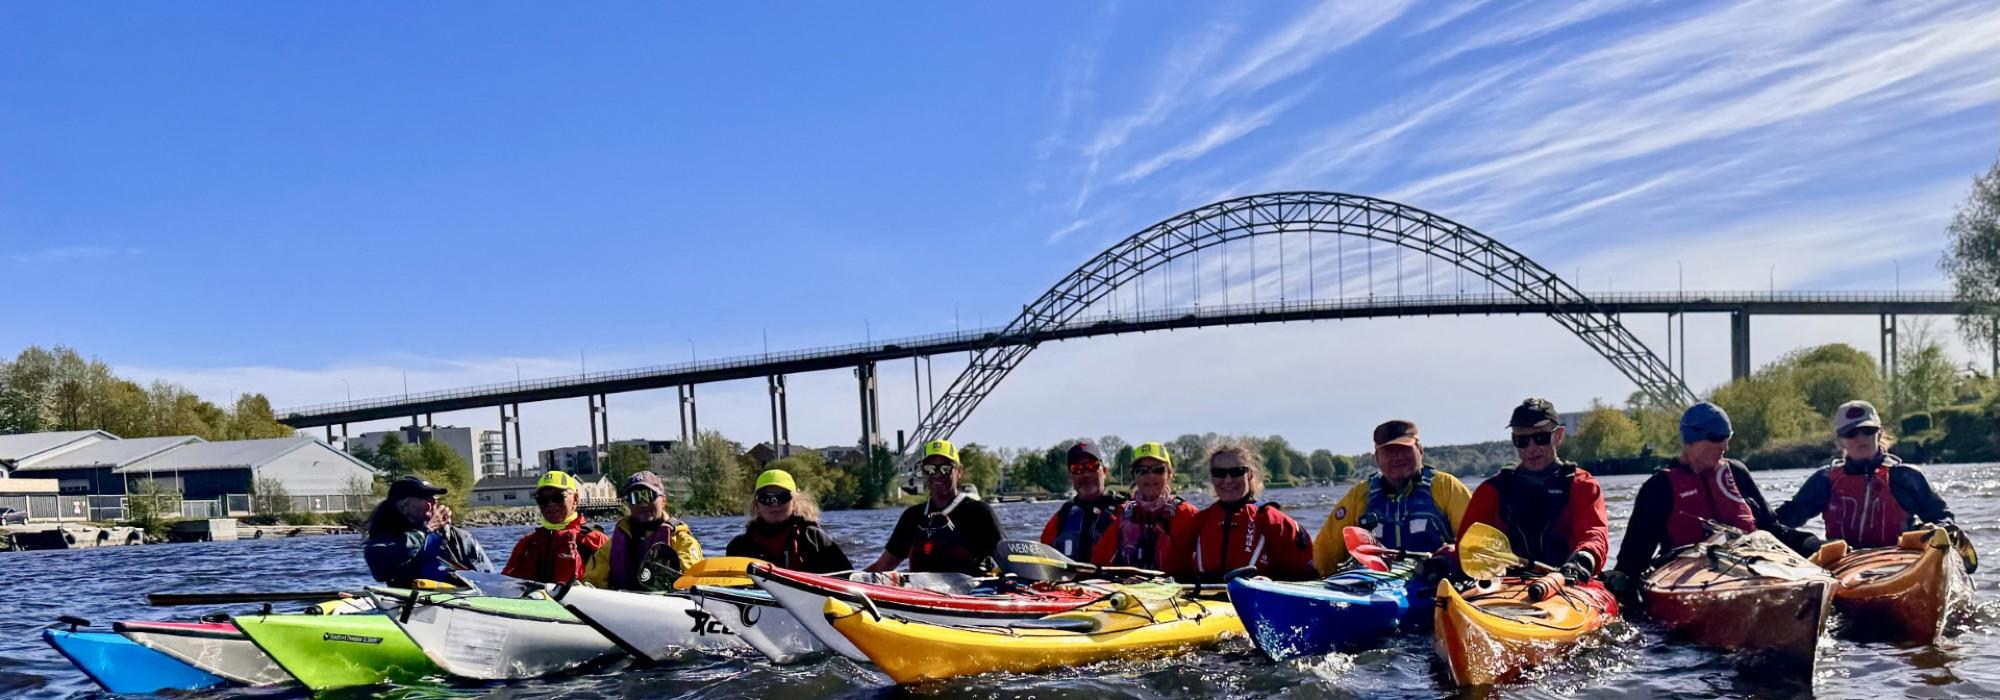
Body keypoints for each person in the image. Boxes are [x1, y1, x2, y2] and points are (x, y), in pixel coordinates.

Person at [1604, 402, 1823, 598]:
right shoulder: (1659, 488)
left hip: (1751, 560)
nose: (1724, 447)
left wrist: (1811, 544)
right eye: (1717, 438)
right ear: (1691, 440)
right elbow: (1633, 559)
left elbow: (1772, 529)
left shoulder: (1737, 472)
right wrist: (1621, 583)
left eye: (1728, 438)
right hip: (1690, 573)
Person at [1459, 398, 1610, 598]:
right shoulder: (1491, 490)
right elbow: (1467, 545)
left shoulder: (1582, 485)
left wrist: (1583, 558)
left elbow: (1593, 533)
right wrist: (1446, 558)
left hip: (1566, 582)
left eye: (1540, 438)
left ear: (1558, 436)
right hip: (1505, 584)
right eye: (1522, 440)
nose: (1531, 448)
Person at [1775, 400, 1955, 550]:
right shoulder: (1825, 481)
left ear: (1879, 433)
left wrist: (1936, 530)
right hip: (1843, 563)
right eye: (1851, 433)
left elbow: (1942, 517)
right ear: (1840, 441)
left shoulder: (1906, 477)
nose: (1860, 438)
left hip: (1899, 561)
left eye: (1868, 431)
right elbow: (1783, 520)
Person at [1313, 420, 1472, 574]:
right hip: (1374, 586)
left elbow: (1476, 541)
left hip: (1434, 583)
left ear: (1420, 451)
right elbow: (1325, 552)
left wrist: (1453, 552)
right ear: (1377, 458)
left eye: (1404, 449)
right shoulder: (1359, 495)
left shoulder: (1446, 486)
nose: (1397, 457)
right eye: (1389, 451)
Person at [1165, 443, 1317, 584]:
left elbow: (1306, 580)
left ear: (1249, 475)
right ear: (1212, 477)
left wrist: (1273, 584)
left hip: (1259, 602)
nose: (1228, 480)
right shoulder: (1197, 522)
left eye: (1236, 472)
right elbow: (1173, 572)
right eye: (1220, 473)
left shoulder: (1277, 523)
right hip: (1206, 604)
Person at [867, 440, 1007, 575]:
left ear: (959, 471)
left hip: (968, 593)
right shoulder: (912, 516)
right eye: (930, 469)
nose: (937, 474)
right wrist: (849, 581)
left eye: (946, 468)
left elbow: (1009, 562)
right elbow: (882, 566)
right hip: (922, 593)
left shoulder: (981, 513)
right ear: (923, 471)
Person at [583, 471, 705, 591]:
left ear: (663, 500)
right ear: (629, 505)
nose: (643, 504)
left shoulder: (683, 542)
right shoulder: (613, 545)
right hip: (622, 604)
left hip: (665, 603)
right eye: (635, 497)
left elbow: (689, 579)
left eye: (648, 496)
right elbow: (592, 580)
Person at [363, 475, 492, 587]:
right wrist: (426, 530)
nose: (432, 503)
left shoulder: (459, 537)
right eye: (424, 498)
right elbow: (380, 571)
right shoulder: (383, 536)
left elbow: (488, 577)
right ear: (402, 506)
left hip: (457, 603)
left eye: (433, 498)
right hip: (408, 602)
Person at [1091, 441, 1199, 569]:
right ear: (1134, 476)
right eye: (1142, 471)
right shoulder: (1124, 515)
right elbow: (1098, 561)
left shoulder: (1188, 514)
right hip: (1131, 587)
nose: (1150, 476)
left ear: (1170, 474)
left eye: (1158, 470)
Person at [726, 469, 853, 573]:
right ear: (756, 505)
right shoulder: (738, 546)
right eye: (766, 498)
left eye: (782, 497)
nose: (774, 504)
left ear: (794, 503)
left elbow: (847, 579)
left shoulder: (814, 539)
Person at [501, 471, 609, 584]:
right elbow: (505, 585)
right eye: (543, 499)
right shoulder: (526, 544)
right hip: (534, 600)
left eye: (558, 497)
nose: (550, 504)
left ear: (575, 499)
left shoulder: (596, 541)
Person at [1039, 442, 1127, 560]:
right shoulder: (1062, 517)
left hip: (1115, 577)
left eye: (1092, 466)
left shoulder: (1123, 511)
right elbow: (1042, 559)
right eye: (1077, 469)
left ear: (1104, 471)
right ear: (1070, 476)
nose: (1085, 474)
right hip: (1069, 577)